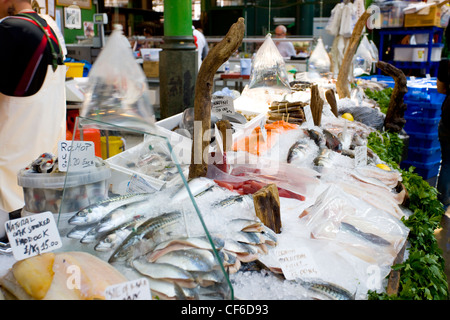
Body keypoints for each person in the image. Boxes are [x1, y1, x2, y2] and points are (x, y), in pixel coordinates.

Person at [0, 0, 67, 213]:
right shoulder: (51, 26)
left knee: (13, 203)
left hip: (15, 140)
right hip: (48, 140)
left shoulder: (10, 28)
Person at [436, 25, 450, 211]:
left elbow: (441, 89)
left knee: (447, 161)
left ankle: (441, 202)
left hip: (449, 118)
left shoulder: (446, 63)